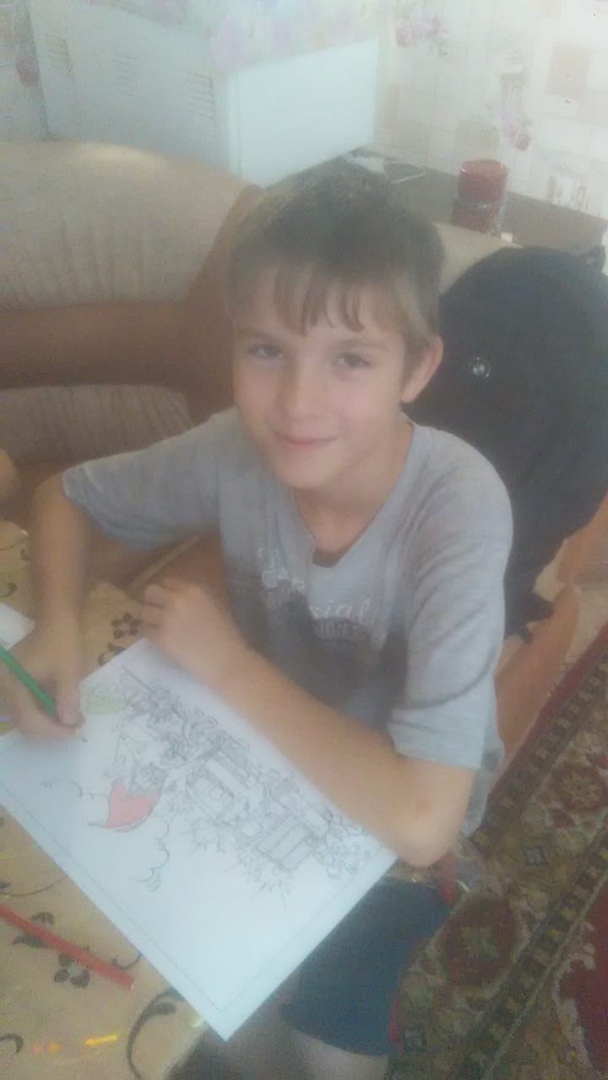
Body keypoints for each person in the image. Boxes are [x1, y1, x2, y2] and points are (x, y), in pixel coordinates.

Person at [2, 170, 512, 1080]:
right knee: (115, 939)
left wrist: (228, 663)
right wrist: (57, 629)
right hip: (245, 759)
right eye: (267, 350)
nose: (297, 404)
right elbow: (66, 497)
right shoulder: (236, 450)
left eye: (350, 359)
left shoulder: (459, 508)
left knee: (330, 1056)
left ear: (417, 367)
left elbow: (423, 821)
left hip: (386, 832)